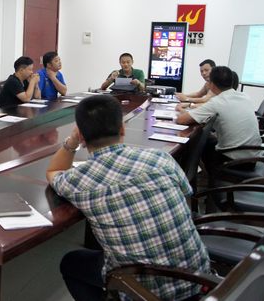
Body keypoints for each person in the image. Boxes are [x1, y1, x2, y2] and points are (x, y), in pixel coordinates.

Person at [46, 95, 209, 301]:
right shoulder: (160, 158)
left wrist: (71, 142)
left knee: (71, 263)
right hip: (200, 279)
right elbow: (186, 194)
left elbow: (54, 171)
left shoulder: (79, 181)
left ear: (82, 138)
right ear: (122, 129)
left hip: (146, 293)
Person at [176, 66, 262, 172]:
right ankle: (198, 176)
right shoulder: (244, 97)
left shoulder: (217, 102)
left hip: (234, 162)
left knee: (196, 141)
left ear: (211, 84)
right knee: (207, 138)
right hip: (253, 157)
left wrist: (180, 109)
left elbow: (181, 120)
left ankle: (190, 175)